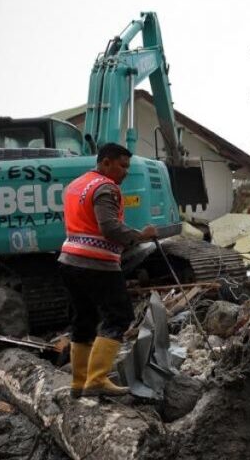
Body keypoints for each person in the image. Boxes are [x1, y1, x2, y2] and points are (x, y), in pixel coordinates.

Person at [58, 143, 157, 398]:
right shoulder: (106, 188)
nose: (125, 172)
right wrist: (140, 235)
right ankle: (97, 379)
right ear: (105, 163)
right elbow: (109, 227)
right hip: (97, 263)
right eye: (122, 166)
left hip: (69, 260)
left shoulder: (76, 185)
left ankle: (79, 383)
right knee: (119, 316)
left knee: (83, 319)